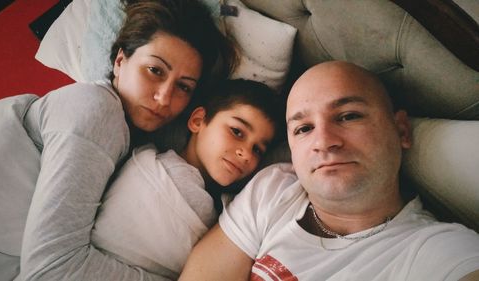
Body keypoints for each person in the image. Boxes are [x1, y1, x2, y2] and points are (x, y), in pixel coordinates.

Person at [0, 0, 235, 280]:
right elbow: (51, 269)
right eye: (155, 70)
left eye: (183, 86)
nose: (164, 97)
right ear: (120, 61)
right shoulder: (97, 110)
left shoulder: (138, 142)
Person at [179, 61, 479, 281]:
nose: (323, 142)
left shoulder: (437, 252)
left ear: (401, 130)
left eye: (348, 116)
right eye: (303, 128)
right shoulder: (274, 189)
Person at [90, 79, 284, 280]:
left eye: (258, 149)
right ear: (198, 121)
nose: (247, 155)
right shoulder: (162, 171)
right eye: (237, 131)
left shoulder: (234, 205)